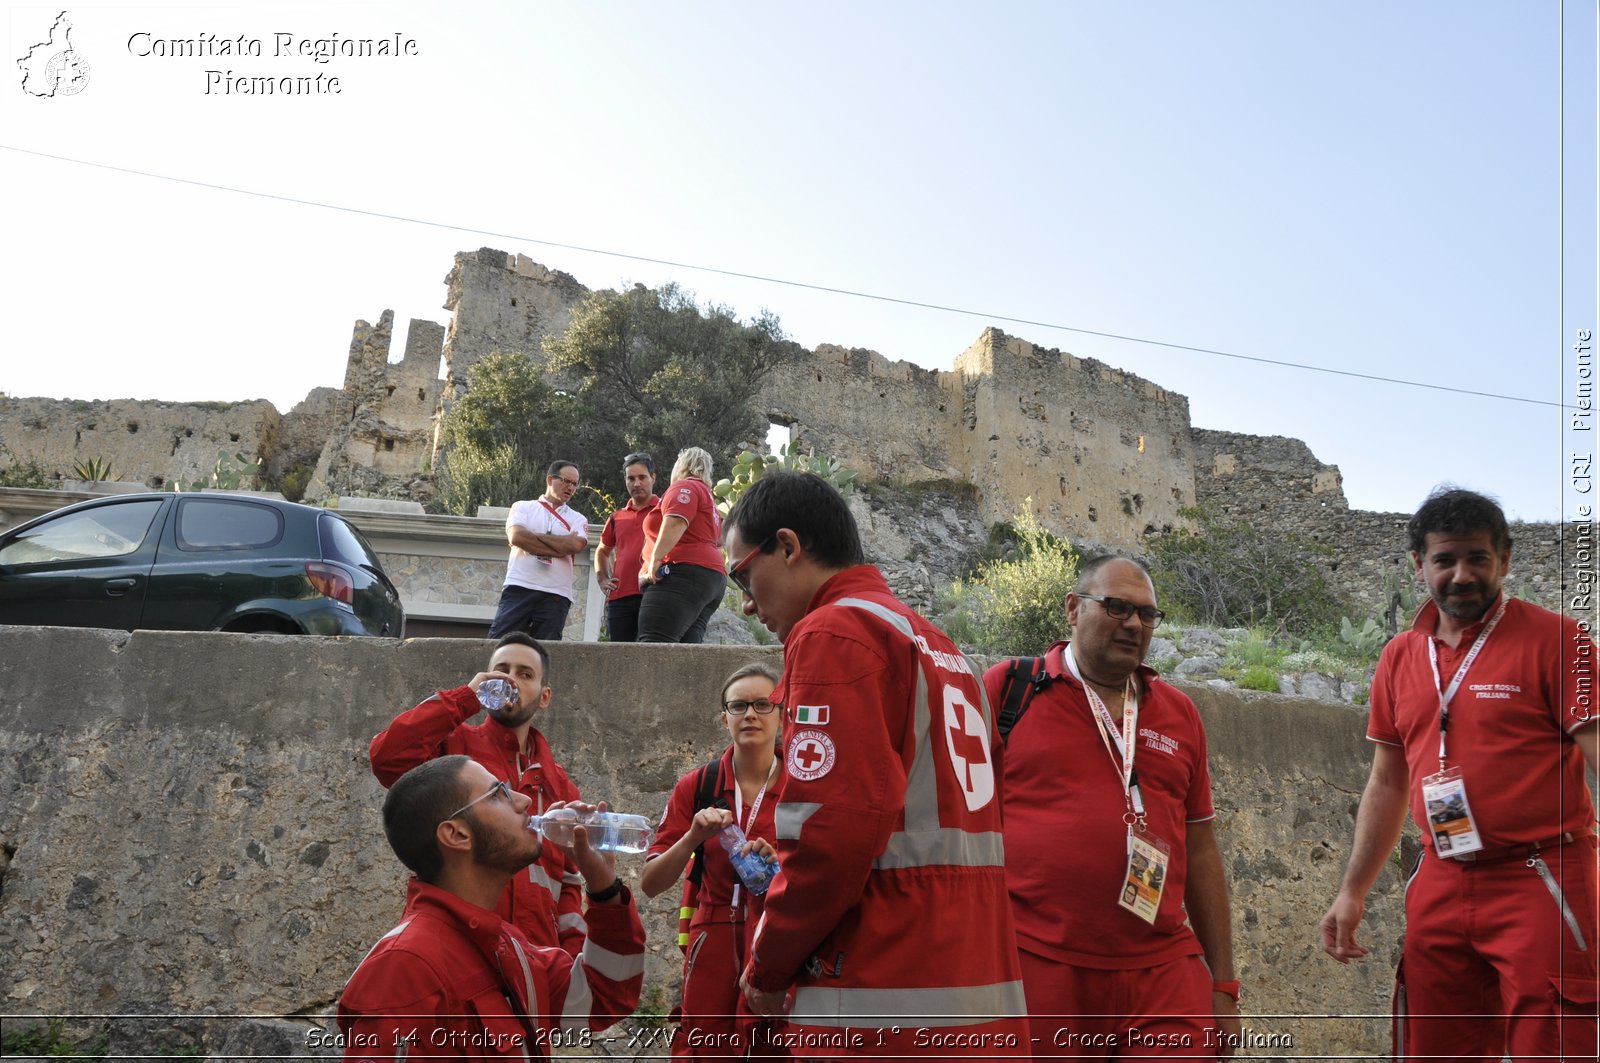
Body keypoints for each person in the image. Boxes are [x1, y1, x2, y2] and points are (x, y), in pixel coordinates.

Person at [725, 470, 1028, 1057]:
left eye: (743, 574)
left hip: (882, 989)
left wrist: (767, 964)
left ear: (787, 547)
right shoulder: (940, 647)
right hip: (978, 986)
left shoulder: (835, 633)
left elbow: (829, 834)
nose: (744, 601)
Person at [1320, 487, 1599, 1060]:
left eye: (1478, 558)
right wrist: (1352, 892)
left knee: (1558, 1044)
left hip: (1543, 875)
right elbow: (1388, 782)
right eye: (1445, 560)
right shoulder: (1399, 656)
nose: (1462, 574)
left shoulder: (1559, 641)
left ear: (1506, 560)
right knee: (1436, 1045)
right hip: (1441, 876)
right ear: (1419, 564)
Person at [984, 555, 1241, 1059]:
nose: (1133, 624)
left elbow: (1200, 847)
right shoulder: (1011, 690)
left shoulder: (1179, 712)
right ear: (1073, 609)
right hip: (1039, 962)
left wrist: (1224, 986)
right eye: (1117, 606)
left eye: (1147, 614)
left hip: (1162, 971)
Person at [337, 755, 645, 1060]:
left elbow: (602, 996)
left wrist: (605, 887)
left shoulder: (508, 948)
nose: (524, 801)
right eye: (499, 794)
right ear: (457, 835)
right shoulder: (403, 970)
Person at [369, 633, 587, 954]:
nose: (510, 680)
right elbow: (387, 759)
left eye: (525, 674)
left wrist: (569, 960)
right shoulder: (453, 751)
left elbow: (569, 881)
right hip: (453, 950)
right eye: (502, 670)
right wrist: (467, 696)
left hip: (535, 966)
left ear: (544, 697)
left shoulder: (560, 786)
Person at [641, 662, 787, 1060]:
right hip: (713, 938)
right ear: (724, 718)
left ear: (783, 713)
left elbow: (830, 868)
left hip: (778, 935)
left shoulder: (803, 784)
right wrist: (693, 837)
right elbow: (651, 882)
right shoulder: (698, 785)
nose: (751, 714)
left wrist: (781, 865)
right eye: (738, 706)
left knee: (777, 1046)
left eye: (763, 704)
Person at [487, 461, 588, 640]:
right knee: (500, 644)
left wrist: (534, 537)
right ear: (550, 479)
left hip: (556, 594)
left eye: (574, 484)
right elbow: (517, 537)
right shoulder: (523, 507)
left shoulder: (578, 518)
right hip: (520, 586)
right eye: (566, 481)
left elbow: (575, 545)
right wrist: (558, 547)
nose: (570, 487)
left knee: (546, 652)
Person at [638, 446, 726, 644]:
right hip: (711, 578)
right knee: (687, 650)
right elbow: (719, 539)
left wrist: (656, 559)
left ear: (682, 466)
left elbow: (677, 520)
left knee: (652, 644)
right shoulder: (708, 497)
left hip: (681, 571)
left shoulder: (685, 487)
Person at [594, 451, 660, 643]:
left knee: (651, 654)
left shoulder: (665, 511)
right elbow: (602, 550)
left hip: (653, 594)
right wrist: (602, 579)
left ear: (653, 478)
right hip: (619, 599)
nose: (636, 483)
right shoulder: (616, 517)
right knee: (619, 657)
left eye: (642, 477)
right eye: (631, 478)